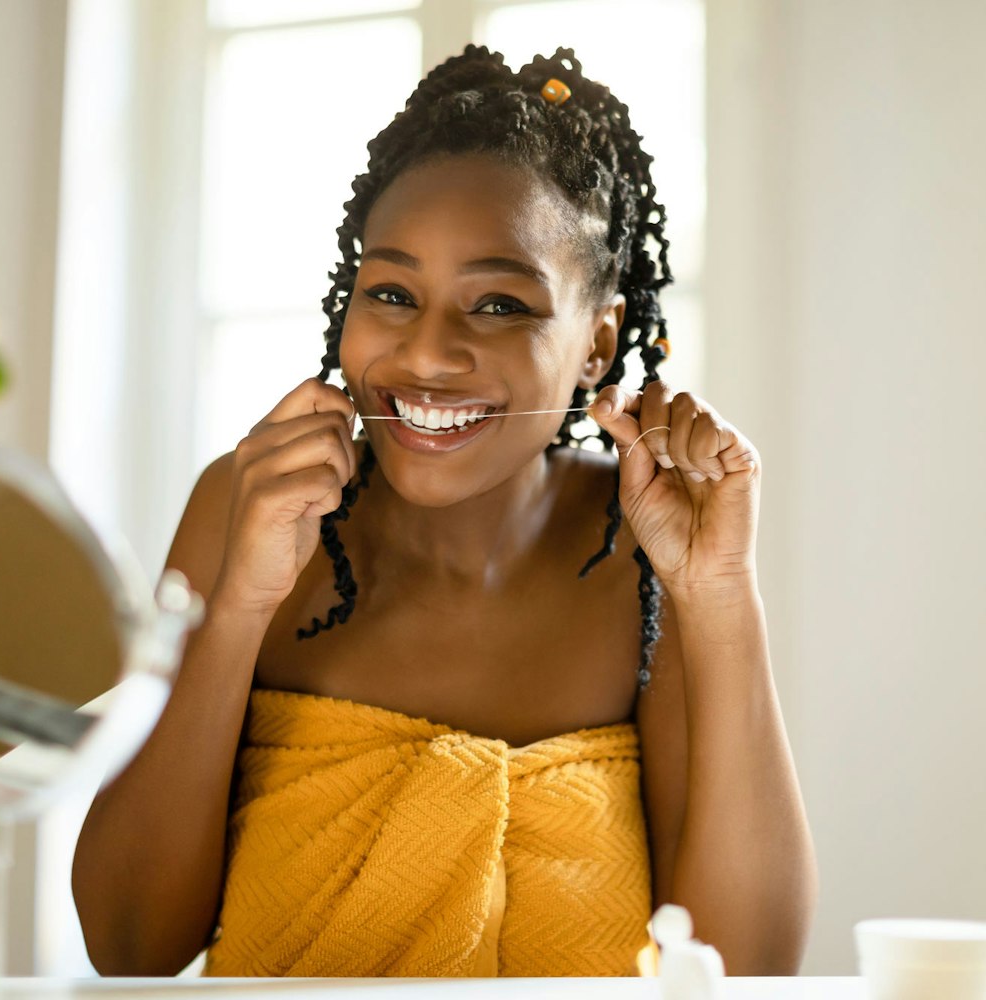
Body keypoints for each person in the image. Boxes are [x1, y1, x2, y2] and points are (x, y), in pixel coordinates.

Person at [72, 45, 817, 978]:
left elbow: (744, 972)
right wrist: (237, 611)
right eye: (390, 293)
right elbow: (129, 945)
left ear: (597, 342)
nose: (426, 352)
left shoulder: (638, 546)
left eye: (499, 303)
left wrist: (720, 593)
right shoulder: (248, 504)